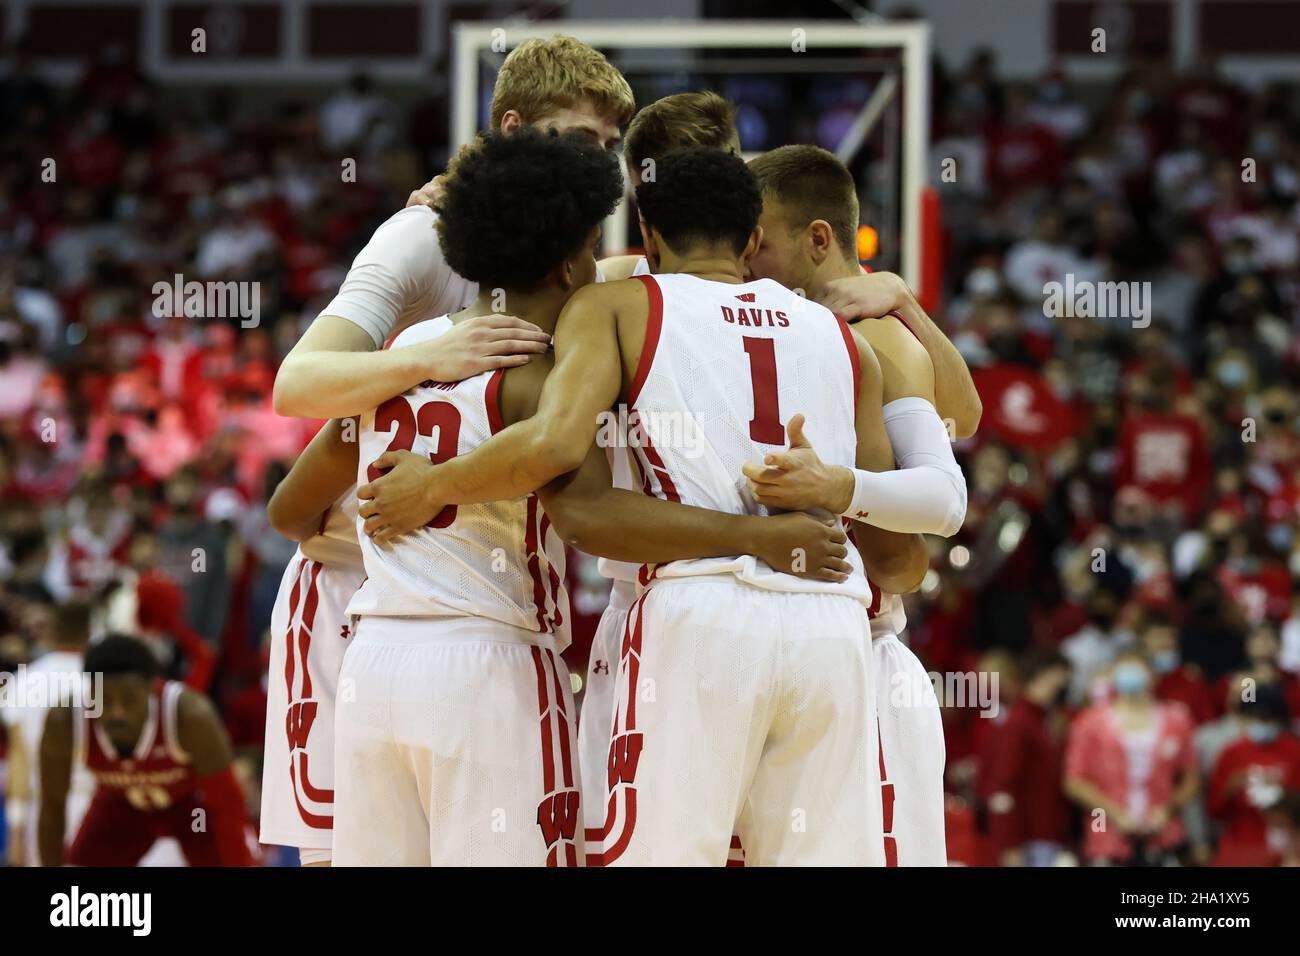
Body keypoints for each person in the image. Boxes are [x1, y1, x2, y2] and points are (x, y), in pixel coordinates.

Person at [355, 147, 938, 865]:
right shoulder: (849, 344)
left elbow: (573, 489)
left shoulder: (618, 306)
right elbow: (900, 560)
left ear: (648, 237)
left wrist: (435, 484)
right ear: (753, 240)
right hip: (832, 628)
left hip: (697, 620)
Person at [739, 144, 973, 865]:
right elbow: (966, 412)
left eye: (761, 243)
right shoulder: (779, 324)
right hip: (771, 654)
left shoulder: (873, 332)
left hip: (862, 659)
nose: (746, 261)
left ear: (818, 239)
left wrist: (840, 488)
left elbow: (953, 455)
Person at [271, 35, 636, 420]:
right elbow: (296, 385)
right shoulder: (422, 233)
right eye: (581, 138)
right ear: (514, 130)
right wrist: (429, 357)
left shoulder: (582, 256)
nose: (599, 161)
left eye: (609, 146)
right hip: (397, 472)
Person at [38, 634, 253, 866]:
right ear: (89, 692)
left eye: (129, 699)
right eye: (104, 700)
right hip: (121, 807)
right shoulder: (65, 721)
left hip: (191, 810)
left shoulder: (190, 717)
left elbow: (228, 807)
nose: (116, 712)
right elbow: (52, 805)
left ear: (152, 688)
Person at [1063, 651, 1198, 865]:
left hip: (1163, 833)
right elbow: (1074, 781)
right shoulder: (1089, 722)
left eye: (1136, 668)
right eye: (1124, 669)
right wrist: (1116, 814)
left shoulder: (1177, 720)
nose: (1130, 675)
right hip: (1106, 833)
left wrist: (1168, 809)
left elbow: (1191, 777)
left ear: (1153, 676)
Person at [1, 601, 96, 865]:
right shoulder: (105, 684)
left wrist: (15, 832)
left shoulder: (24, 681)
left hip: (42, 810)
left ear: (52, 632)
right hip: (97, 809)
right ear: (90, 632)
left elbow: (18, 759)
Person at [979, 650, 1073, 866]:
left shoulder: (1047, 719)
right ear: (1046, 676)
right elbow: (1002, 786)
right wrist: (1009, 843)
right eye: (1062, 677)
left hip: (1047, 829)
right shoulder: (1019, 722)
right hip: (1029, 836)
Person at [1207, 684, 1300, 866]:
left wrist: (1282, 793)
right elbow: (1214, 809)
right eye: (1255, 717)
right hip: (1242, 840)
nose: (1261, 723)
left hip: (1288, 839)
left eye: (1267, 718)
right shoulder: (1232, 752)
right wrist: (1232, 786)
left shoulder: (1294, 751)